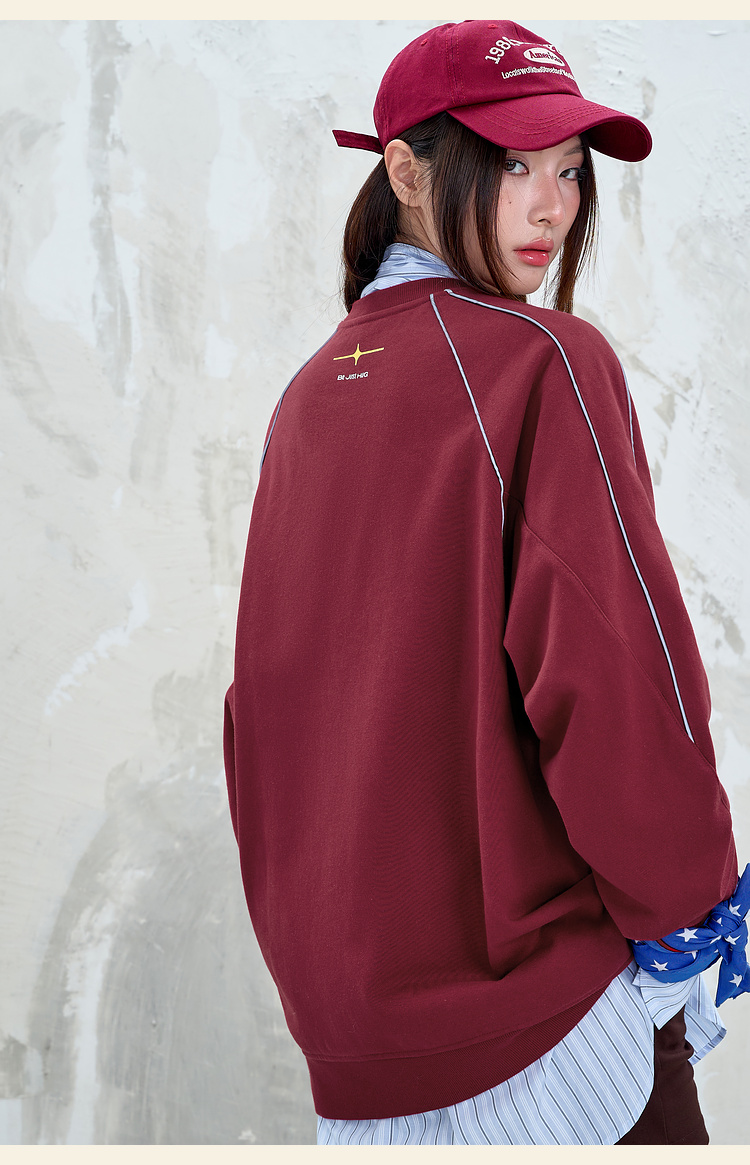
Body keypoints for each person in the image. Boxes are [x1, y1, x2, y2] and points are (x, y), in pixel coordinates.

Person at [223, 20, 745, 1145]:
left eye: (570, 170)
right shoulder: (545, 359)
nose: (552, 208)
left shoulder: (304, 401)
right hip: (555, 1041)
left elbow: (259, 723)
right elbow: (616, 674)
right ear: (406, 172)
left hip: (362, 1065)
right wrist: (697, 904)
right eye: (512, 166)